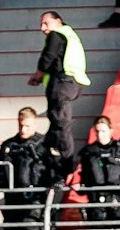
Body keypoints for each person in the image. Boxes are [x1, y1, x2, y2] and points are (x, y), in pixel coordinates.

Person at [29, 10, 89, 169]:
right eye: (41, 24)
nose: (42, 28)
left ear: (58, 21)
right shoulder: (70, 34)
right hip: (73, 83)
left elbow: (47, 58)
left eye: (45, 23)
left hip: (62, 83)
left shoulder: (56, 35)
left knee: (61, 123)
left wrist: (38, 75)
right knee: (57, 121)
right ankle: (47, 151)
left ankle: (66, 163)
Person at [0, 108, 65, 227]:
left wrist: (57, 181)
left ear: (35, 124)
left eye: (27, 126)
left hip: (36, 198)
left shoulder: (45, 144)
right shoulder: (9, 145)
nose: (23, 130)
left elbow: (58, 167)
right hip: (12, 199)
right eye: (21, 125)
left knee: (31, 229)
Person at [74, 115, 120, 226]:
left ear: (110, 131)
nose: (100, 134)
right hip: (96, 204)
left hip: (118, 201)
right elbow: (83, 176)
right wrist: (79, 186)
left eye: (103, 131)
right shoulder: (88, 152)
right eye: (97, 131)